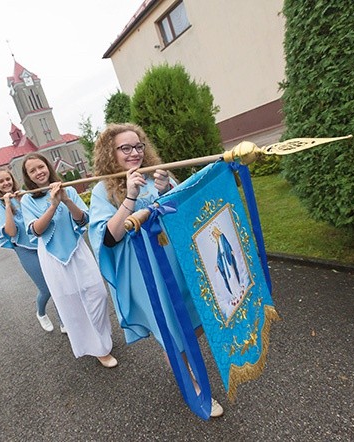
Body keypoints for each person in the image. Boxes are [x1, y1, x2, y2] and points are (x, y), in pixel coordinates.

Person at [88, 122, 223, 417]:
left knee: (193, 319)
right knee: (171, 329)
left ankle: (185, 364)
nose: (135, 153)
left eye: (138, 146)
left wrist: (167, 191)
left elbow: (184, 213)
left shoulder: (157, 175)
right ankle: (193, 387)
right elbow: (108, 238)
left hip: (177, 261)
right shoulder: (103, 191)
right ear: (111, 153)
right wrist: (130, 197)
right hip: (146, 271)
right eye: (126, 148)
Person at [19, 153, 117, 368]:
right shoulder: (27, 199)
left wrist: (66, 199)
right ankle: (97, 349)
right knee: (71, 303)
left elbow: (84, 219)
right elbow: (35, 230)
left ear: (48, 166)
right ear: (28, 176)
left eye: (41, 166)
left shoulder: (69, 189)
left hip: (78, 250)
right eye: (32, 170)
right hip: (52, 258)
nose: (38, 172)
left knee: (97, 293)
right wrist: (53, 205)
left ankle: (102, 336)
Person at [0, 166, 64, 333]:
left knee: (56, 282)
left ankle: (63, 321)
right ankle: (41, 313)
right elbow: (11, 232)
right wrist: (8, 205)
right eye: (1, 181)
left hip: (41, 244)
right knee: (46, 288)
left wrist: (23, 199)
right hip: (25, 249)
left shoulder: (24, 195)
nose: (6, 183)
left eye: (7, 179)